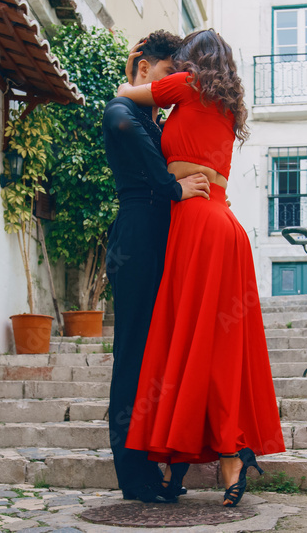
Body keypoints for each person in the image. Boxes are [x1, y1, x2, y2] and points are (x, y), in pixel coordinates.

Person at [116, 29, 286, 508]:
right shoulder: (229, 107)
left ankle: (181, 461)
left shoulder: (186, 86)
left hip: (194, 224)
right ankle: (227, 459)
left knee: (183, 339)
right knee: (215, 345)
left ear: (191, 61)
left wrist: (137, 64)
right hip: (226, 224)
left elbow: (128, 95)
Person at [102, 30, 212, 504]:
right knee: (132, 355)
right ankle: (132, 473)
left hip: (164, 240)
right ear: (143, 67)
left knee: (158, 356)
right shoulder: (123, 110)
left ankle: (155, 461)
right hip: (136, 238)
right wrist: (174, 187)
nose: (170, 89)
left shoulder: (152, 117)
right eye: (168, 75)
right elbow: (123, 130)